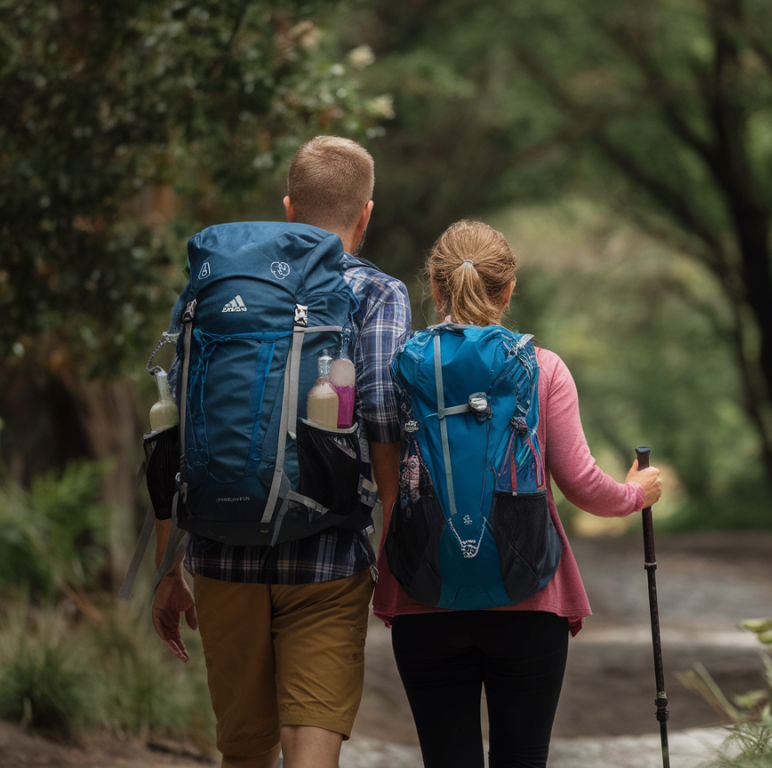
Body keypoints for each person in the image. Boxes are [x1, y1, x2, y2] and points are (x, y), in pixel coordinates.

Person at [150, 136, 411, 768]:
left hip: (220, 552)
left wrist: (167, 569)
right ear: (366, 213)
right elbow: (380, 416)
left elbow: (176, 425)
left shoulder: (219, 285)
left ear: (289, 208)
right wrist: (394, 548)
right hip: (328, 555)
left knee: (244, 753)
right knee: (311, 747)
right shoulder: (377, 293)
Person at [372, 219, 663, 768]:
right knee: (523, 758)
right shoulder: (542, 368)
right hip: (529, 595)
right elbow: (581, 485)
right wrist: (635, 493)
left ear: (435, 290)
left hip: (423, 591)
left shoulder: (398, 368)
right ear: (508, 292)